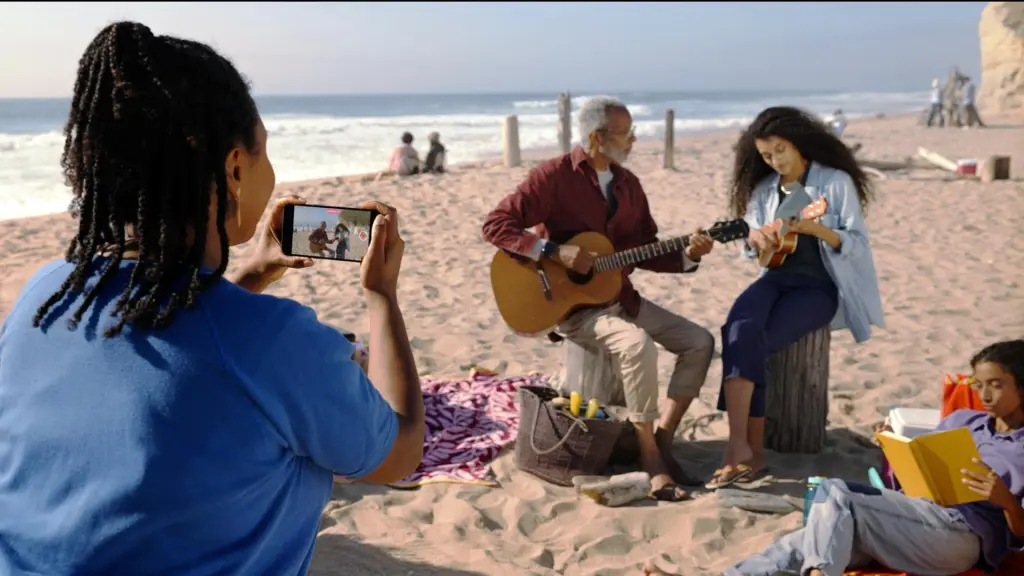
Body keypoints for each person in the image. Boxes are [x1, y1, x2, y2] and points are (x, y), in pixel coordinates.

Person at [0, 21, 424, 575]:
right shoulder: (275, 340)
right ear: (233, 169)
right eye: (263, 151)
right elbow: (400, 453)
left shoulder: (46, 293)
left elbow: (176, 349)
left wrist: (253, 271)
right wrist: (382, 297)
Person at [481, 96, 716, 501]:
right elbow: (496, 225)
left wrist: (689, 255)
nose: (634, 141)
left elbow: (646, 248)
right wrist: (554, 252)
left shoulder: (629, 185)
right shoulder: (553, 176)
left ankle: (661, 439)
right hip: (574, 310)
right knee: (635, 344)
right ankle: (649, 456)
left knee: (700, 342)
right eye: (626, 134)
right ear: (596, 137)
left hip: (621, 298)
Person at [714, 340, 1024, 576]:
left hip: (961, 538)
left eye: (996, 386)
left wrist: (1006, 500)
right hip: (914, 517)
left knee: (837, 493)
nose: (984, 396)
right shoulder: (962, 421)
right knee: (805, 539)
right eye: (978, 385)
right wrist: (894, 447)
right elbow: (915, 471)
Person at [706, 106, 885, 489]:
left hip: (818, 286)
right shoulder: (765, 190)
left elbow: (856, 242)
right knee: (737, 329)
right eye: (766, 155)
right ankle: (740, 445)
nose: (774, 161)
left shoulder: (834, 183)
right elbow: (756, 246)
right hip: (775, 278)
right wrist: (754, 240)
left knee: (756, 343)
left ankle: (748, 451)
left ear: (798, 143)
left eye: (779, 150)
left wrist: (817, 230)